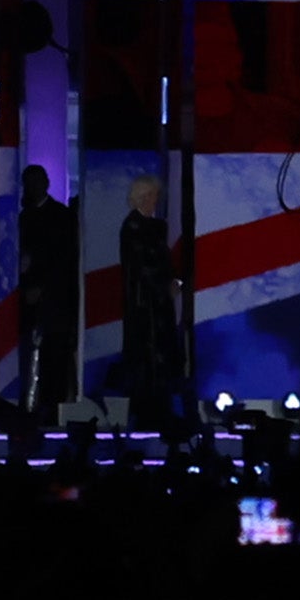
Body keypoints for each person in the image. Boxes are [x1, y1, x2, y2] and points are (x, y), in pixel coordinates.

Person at [11, 164, 77, 422]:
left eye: (36, 182)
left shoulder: (62, 217)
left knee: (54, 356)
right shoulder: (24, 217)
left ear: (46, 184)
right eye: (29, 183)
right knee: (30, 355)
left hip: (55, 299)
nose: (32, 188)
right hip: (30, 300)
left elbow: (65, 261)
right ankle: (32, 407)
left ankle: (51, 408)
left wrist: (42, 286)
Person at [115, 177, 184, 423]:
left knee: (162, 355)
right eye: (153, 195)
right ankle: (146, 410)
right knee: (147, 357)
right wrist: (163, 285)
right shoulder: (132, 227)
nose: (156, 200)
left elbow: (164, 262)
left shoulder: (156, 227)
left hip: (159, 304)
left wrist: (173, 280)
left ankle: (161, 407)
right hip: (144, 306)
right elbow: (141, 266)